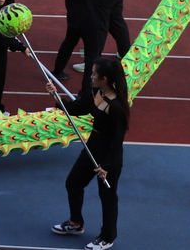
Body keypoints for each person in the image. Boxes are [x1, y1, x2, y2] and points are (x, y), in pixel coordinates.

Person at [48, 57, 131, 250]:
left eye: (93, 73)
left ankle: (107, 236)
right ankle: (76, 223)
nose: (90, 76)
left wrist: (107, 167)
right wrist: (57, 98)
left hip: (109, 155)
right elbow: (77, 109)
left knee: (108, 197)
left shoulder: (116, 107)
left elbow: (117, 141)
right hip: (92, 147)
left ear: (104, 78)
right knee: (73, 183)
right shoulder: (95, 91)